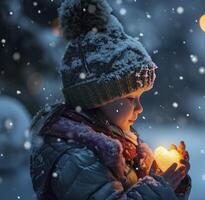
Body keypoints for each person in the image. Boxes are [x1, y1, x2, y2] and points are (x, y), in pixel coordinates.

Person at [29, 0, 191, 199]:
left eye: (140, 97)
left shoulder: (120, 143)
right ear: (96, 100)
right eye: (130, 98)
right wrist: (157, 189)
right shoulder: (77, 159)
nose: (139, 108)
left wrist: (172, 182)